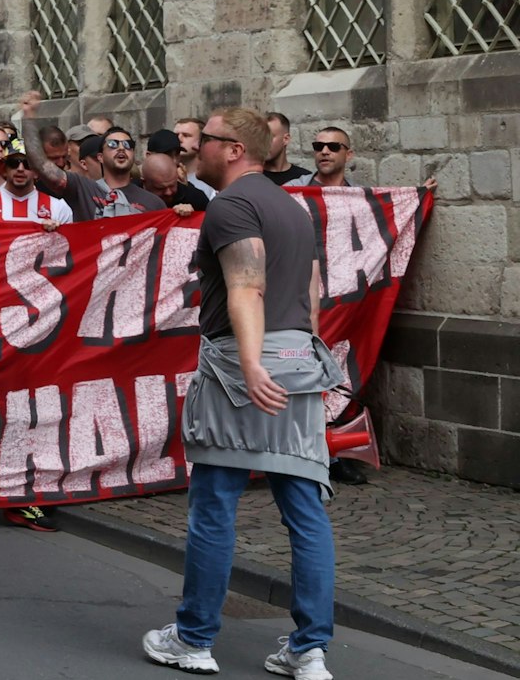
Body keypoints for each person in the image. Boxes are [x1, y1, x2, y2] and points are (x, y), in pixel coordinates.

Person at [142, 107, 340, 680]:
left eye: (206, 138)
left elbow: (247, 288)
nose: (195, 146)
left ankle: (195, 638)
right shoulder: (294, 207)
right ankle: (309, 650)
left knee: (214, 506)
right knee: (305, 510)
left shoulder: (230, 205)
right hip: (298, 360)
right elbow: (312, 294)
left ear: (234, 150)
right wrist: (299, 354)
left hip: (241, 364)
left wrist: (252, 364)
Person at [20, 93, 167, 220]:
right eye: (113, 144)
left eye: (127, 145)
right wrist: (28, 117)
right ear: (100, 157)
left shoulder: (154, 203)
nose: (121, 148)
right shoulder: (82, 188)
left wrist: (182, 212)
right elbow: (39, 163)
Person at [0, 146, 72, 225]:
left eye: (28, 164)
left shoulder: (58, 208)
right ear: (4, 170)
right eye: (14, 163)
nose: (20, 169)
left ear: (37, 172)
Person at [263, 112, 315, 187]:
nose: (263, 142)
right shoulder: (250, 178)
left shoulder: (304, 180)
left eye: (269, 137)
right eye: (260, 137)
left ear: (286, 139)